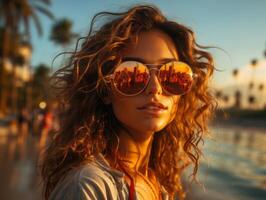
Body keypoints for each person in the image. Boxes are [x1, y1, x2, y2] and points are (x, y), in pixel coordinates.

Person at [41, 5, 216, 200]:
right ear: (106, 90)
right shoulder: (89, 187)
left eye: (171, 74)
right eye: (132, 73)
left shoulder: (154, 180)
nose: (155, 87)